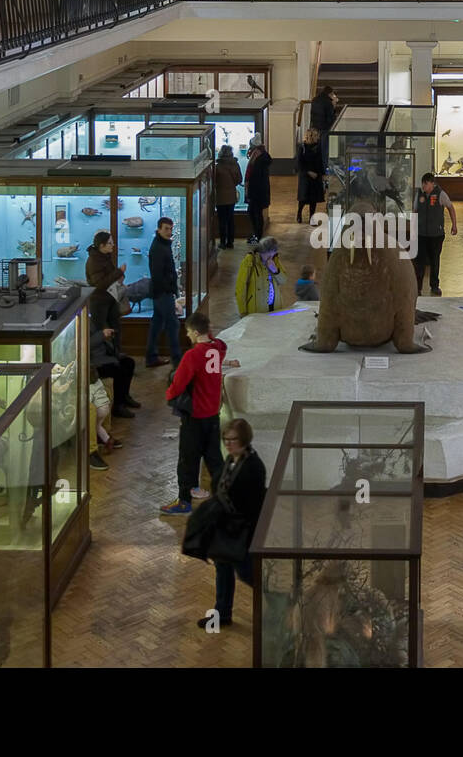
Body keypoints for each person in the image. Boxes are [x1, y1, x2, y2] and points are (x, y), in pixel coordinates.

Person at [160, 312, 239, 516]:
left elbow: (178, 384)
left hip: (195, 415)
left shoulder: (192, 355)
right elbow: (219, 342)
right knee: (214, 458)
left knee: (188, 458)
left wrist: (168, 395)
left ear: (195, 332)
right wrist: (208, 334)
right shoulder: (218, 349)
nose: (187, 336)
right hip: (213, 412)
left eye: (188, 332)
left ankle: (184, 500)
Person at [198, 418, 266, 630]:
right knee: (223, 569)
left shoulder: (253, 466)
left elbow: (250, 504)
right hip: (225, 529)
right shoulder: (231, 460)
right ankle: (222, 612)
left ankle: (280, 603)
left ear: (244, 439)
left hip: (241, 531)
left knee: (247, 572)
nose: (228, 444)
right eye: (225, 440)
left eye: (233, 440)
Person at [90, 290, 139, 423]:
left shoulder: (92, 321)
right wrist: (102, 335)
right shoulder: (82, 324)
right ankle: (118, 405)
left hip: (104, 355)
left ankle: (124, 396)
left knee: (129, 362)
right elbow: (86, 344)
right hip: (94, 363)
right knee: (119, 370)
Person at [146, 217, 183, 369]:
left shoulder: (163, 245)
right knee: (173, 325)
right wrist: (169, 289)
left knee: (157, 324)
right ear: (159, 229)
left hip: (161, 292)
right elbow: (158, 274)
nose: (169, 232)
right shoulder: (158, 248)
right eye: (166, 229)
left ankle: (151, 357)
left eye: (170, 228)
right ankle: (177, 361)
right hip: (162, 293)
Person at [413, 173, 457, 296]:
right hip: (422, 234)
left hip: (436, 235)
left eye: (426, 184)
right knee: (420, 262)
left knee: (434, 260)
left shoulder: (440, 194)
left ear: (432, 183)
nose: (423, 186)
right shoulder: (419, 195)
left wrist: (454, 224)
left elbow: (450, 207)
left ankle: (434, 286)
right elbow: (415, 211)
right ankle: (417, 287)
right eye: (422, 183)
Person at [236, 237, 284, 316]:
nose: (270, 258)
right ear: (264, 251)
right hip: (257, 310)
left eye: (272, 255)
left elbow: (283, 281)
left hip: (275, 307)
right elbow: (241, 287)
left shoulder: (274, 260)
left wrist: (276, 270)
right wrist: (242, 311)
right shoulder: (249, 261)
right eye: (269, 256)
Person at [214, 144, 243, 249]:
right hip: (231, 196)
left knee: (222, 220)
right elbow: (239, 179)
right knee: (230, 219)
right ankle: (230, 242)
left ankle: (222, 242)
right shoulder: (235, 165)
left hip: (221, 197)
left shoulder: (218, 167)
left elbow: (214, 182)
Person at [244, 134, 272, 244]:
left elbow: (255, 177)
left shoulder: (258, 158)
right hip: (258, 191)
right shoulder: (260, 156)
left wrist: (250, 191)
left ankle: (258, 236)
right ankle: (257, 235)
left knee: (255, 213)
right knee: (255, 213)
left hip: (257, 192)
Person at [296, 127, 325, 224]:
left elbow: (320, 161)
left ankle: (312, 217)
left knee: (314, 199)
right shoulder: (302, 147)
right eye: (316, 136)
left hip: (316, 176)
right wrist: (308, 172)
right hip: (306, 176)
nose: (318, 137)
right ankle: (299, 213)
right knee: (303, 198)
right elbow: (299, 163)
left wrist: (321, 173)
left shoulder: (318, 146)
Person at [308, 85, 340, 172]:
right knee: (324, 150)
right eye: (332, 94)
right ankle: (324, 168)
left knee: (316, 148)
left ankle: (315, 167)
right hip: (325, 128)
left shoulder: (315, 100)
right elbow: (331, 118)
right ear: (330, 93)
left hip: (315, 128)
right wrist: (334, 106)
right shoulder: (328, 102)